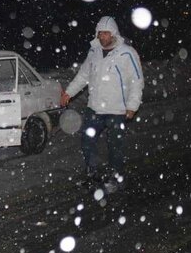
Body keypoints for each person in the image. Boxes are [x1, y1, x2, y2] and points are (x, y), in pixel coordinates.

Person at [60, 16, 144, 192]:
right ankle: (93, 174)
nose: (102, 37)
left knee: (115, 146)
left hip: (117, 110)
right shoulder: (94, 52)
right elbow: (83, 75)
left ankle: (116, 178)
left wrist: (132, 106)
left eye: (106, 33)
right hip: (95, 108)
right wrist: (69, 92)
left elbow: (136, 81)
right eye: (100, 33)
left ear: (113, 34)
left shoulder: (127, 53)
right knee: (87, 141)